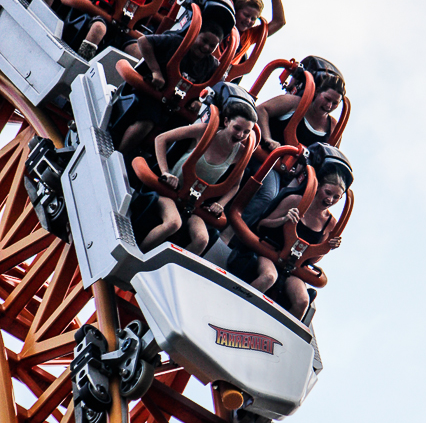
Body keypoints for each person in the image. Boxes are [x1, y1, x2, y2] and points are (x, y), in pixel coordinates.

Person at [135, 98, 258, 253]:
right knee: (173, 223)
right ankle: (135, 258)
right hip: (170, 192)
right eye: (237, 128)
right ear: (226, 122)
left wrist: (221, 204)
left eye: (246, 132)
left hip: (194, 203)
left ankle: (169, 271)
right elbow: (161, 139)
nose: (241, 135)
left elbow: (235, 185)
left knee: (202, 240)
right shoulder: (205, 131)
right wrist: (165, 172)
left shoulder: (240, 153)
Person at [240, 63, 346, 227]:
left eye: (335, 103)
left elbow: (327, 158)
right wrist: (268, 138)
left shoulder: (331, 126)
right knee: (269, 195)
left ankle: (260, 238)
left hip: (291, 173)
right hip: (265, 158)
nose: (329, 106)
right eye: (327, 99)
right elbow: (261, 110)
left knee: (294, 202)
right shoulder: (294, 103)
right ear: (317, 93)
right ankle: (233, 233)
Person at [229, 173, 345, 320]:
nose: (330, 200)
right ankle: (234, 310)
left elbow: (313, 260)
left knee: (302, 301)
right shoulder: (295, 201)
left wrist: (327, 247)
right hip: (270, 252)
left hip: (292, 266)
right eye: (328, 193)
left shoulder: (330, 224)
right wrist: (284, 219)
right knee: (269, 277)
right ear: (319, 187)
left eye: (336, 197)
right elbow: (262, 225)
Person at [116, 18, 225, 155]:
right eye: (204, 41)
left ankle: (151, 164)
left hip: (176, 106)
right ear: (196, 34)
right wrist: (156, 71)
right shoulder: (178, 42)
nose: (206, 47)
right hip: (152, 93)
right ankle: (119, 154)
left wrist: (199, 103)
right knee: (147, 121)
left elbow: (218, 88)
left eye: (212, 46)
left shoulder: (211, 65)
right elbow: (143, 41)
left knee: (179, 135)